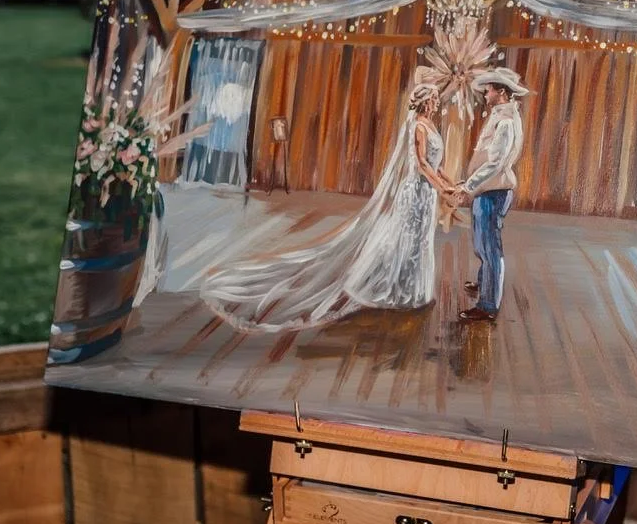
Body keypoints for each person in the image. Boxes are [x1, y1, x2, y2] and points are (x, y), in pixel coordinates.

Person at [200, 82, 452, 332]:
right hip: (416, 191)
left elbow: (435, 163)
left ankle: (413, 289)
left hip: (427, 193)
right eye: (433, 98)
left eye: (436, 99)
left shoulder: (430, 125)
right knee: (408, 237)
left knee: (419, 238)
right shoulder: (418, 126)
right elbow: (421, 164)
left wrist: (450, 185)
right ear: (424, 101)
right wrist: (441, 187)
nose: (436, 102)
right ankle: (395, 288)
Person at [448, 68, 527, 322]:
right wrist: (470, 183)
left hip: (493, 191)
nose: (485, 92)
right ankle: (485, 284)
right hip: (488, 189)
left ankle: (488, 304)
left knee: (490, 247)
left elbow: (495, 164)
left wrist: (468, 186)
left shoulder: (504, 122)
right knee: (483, 243)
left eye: (489, 89)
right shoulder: (501, 117)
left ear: (501, 92)